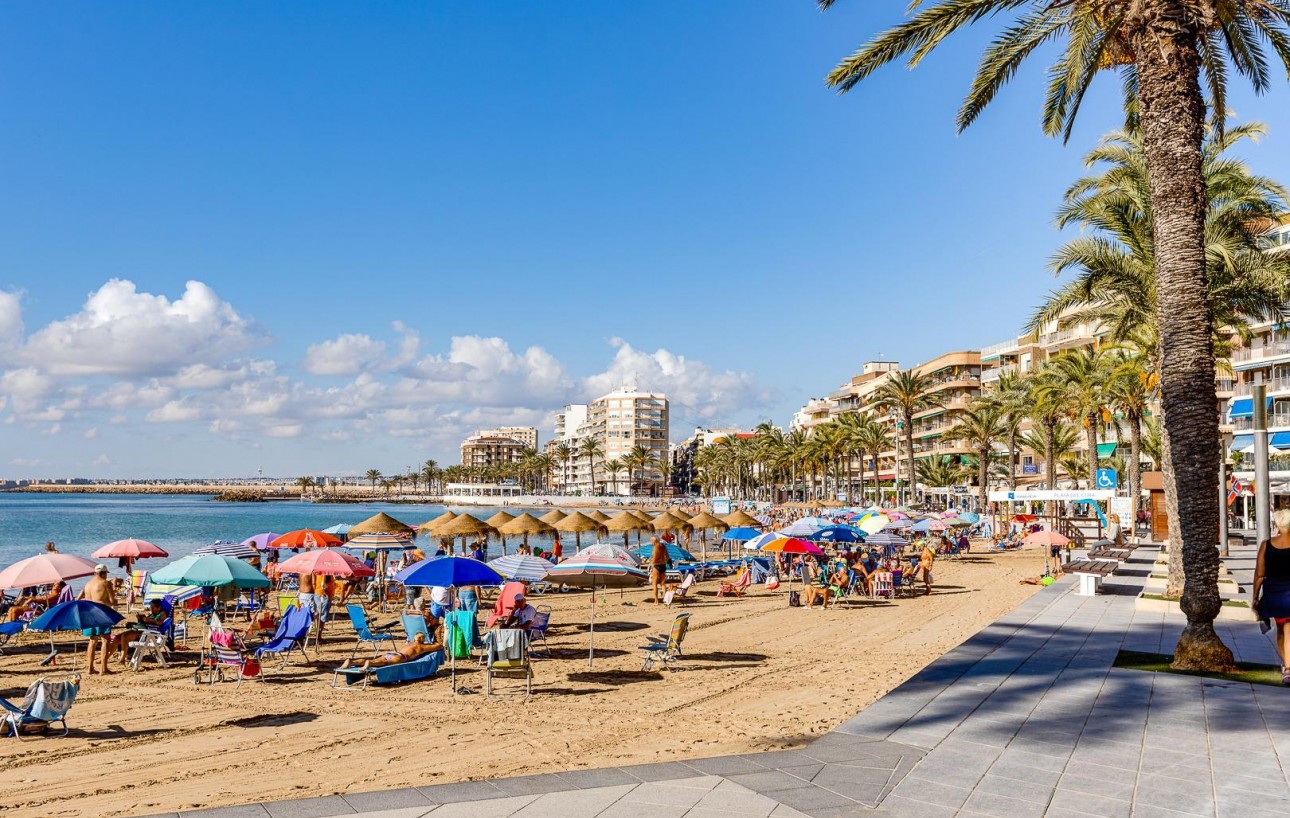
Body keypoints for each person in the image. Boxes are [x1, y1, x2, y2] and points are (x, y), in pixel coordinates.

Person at [1253, 508, 1290, 684]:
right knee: (1288, 630)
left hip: (1274, 593)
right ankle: (1288, 668)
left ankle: (1287, 666)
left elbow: (1260, 574)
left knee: (1282, 631)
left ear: (1277, 524)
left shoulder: (1267, 545)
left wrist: (1254, 597)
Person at [338, 631, 441, 672]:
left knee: (375, 659)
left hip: (391, 653)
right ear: (422, 640)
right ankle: (368, 665)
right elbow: (438, 646)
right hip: (400, 657)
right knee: (385, 664)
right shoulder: (421, 647)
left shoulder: (409, 643)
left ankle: (352, 662)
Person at [79, 565, 117, 675]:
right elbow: (111, 601)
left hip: (89, 613)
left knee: (92, 640)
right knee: (105, 640)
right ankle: (103, 669)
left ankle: (90, 668)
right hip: (101, 612)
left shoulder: (88, 584)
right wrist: (114, 599)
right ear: (104, 573)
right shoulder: (105, 583)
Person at [649, 536, 669, 605]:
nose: (651, 542)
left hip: (657, 566)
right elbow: (667, 556)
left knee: (654, 584)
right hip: (663, 565)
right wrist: (664, 561)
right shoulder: (663, 546)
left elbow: (654, 559)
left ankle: (656, 601)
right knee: (663, 584)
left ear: (655, 541)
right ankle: (666, 600)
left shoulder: (655, 548)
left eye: (652, 540)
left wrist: (651, 561)